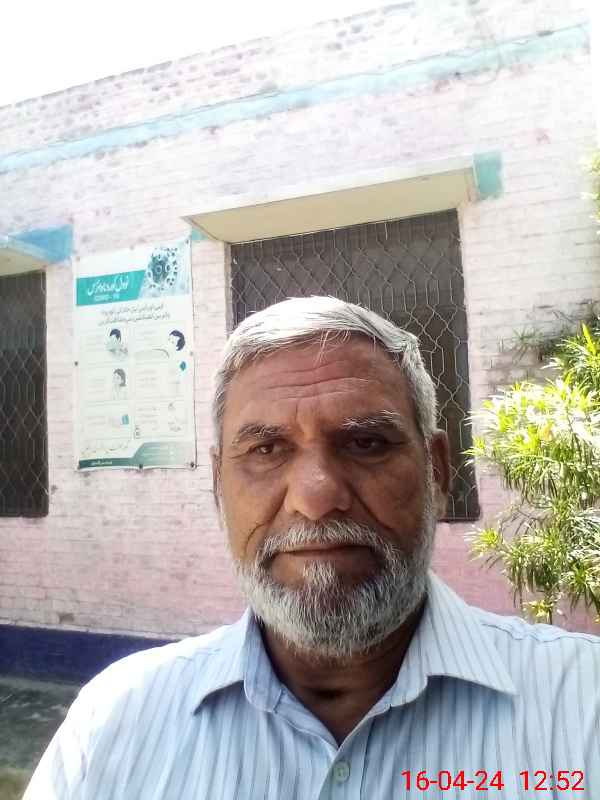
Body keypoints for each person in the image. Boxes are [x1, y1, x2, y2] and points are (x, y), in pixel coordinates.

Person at [25, 296, 600, 799]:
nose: (316, 497)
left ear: (438, 471)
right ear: (219, 488)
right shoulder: (115, 722)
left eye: (366, 443)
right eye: (267, 450)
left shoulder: (582, 707)